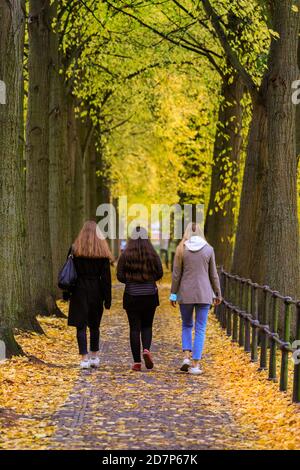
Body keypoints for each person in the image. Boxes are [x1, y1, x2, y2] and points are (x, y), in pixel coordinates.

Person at [170, 222, 222, 375]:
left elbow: (176, 274)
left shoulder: (181, 249)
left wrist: (173, 294)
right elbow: (213, 274)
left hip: (185, 294)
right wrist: (218, 293)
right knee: (200, 328)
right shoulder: (208, 249)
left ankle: (186, 357)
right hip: (204, 294)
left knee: (186, 325)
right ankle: (195, 365)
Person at [63, 221, 112, 369]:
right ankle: (94, 356)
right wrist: (107, 299)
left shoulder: (75, 249)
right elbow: (106, 279)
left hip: (79, 290)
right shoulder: (102, 252)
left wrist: (66, 293)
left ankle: (84, 358)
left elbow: (69, 272)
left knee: (80, 326)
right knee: (95, 326)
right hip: (96, 291)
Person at [117, 227, 163, 371]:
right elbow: (159, 272)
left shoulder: (126, 255)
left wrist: (130, 281)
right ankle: (146, 349)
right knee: (147, 326)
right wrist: (149, 280)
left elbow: (119, 275)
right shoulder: (152, 254)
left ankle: (137, 362)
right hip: (149, 295)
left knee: (134, 328)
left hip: (132, 295)